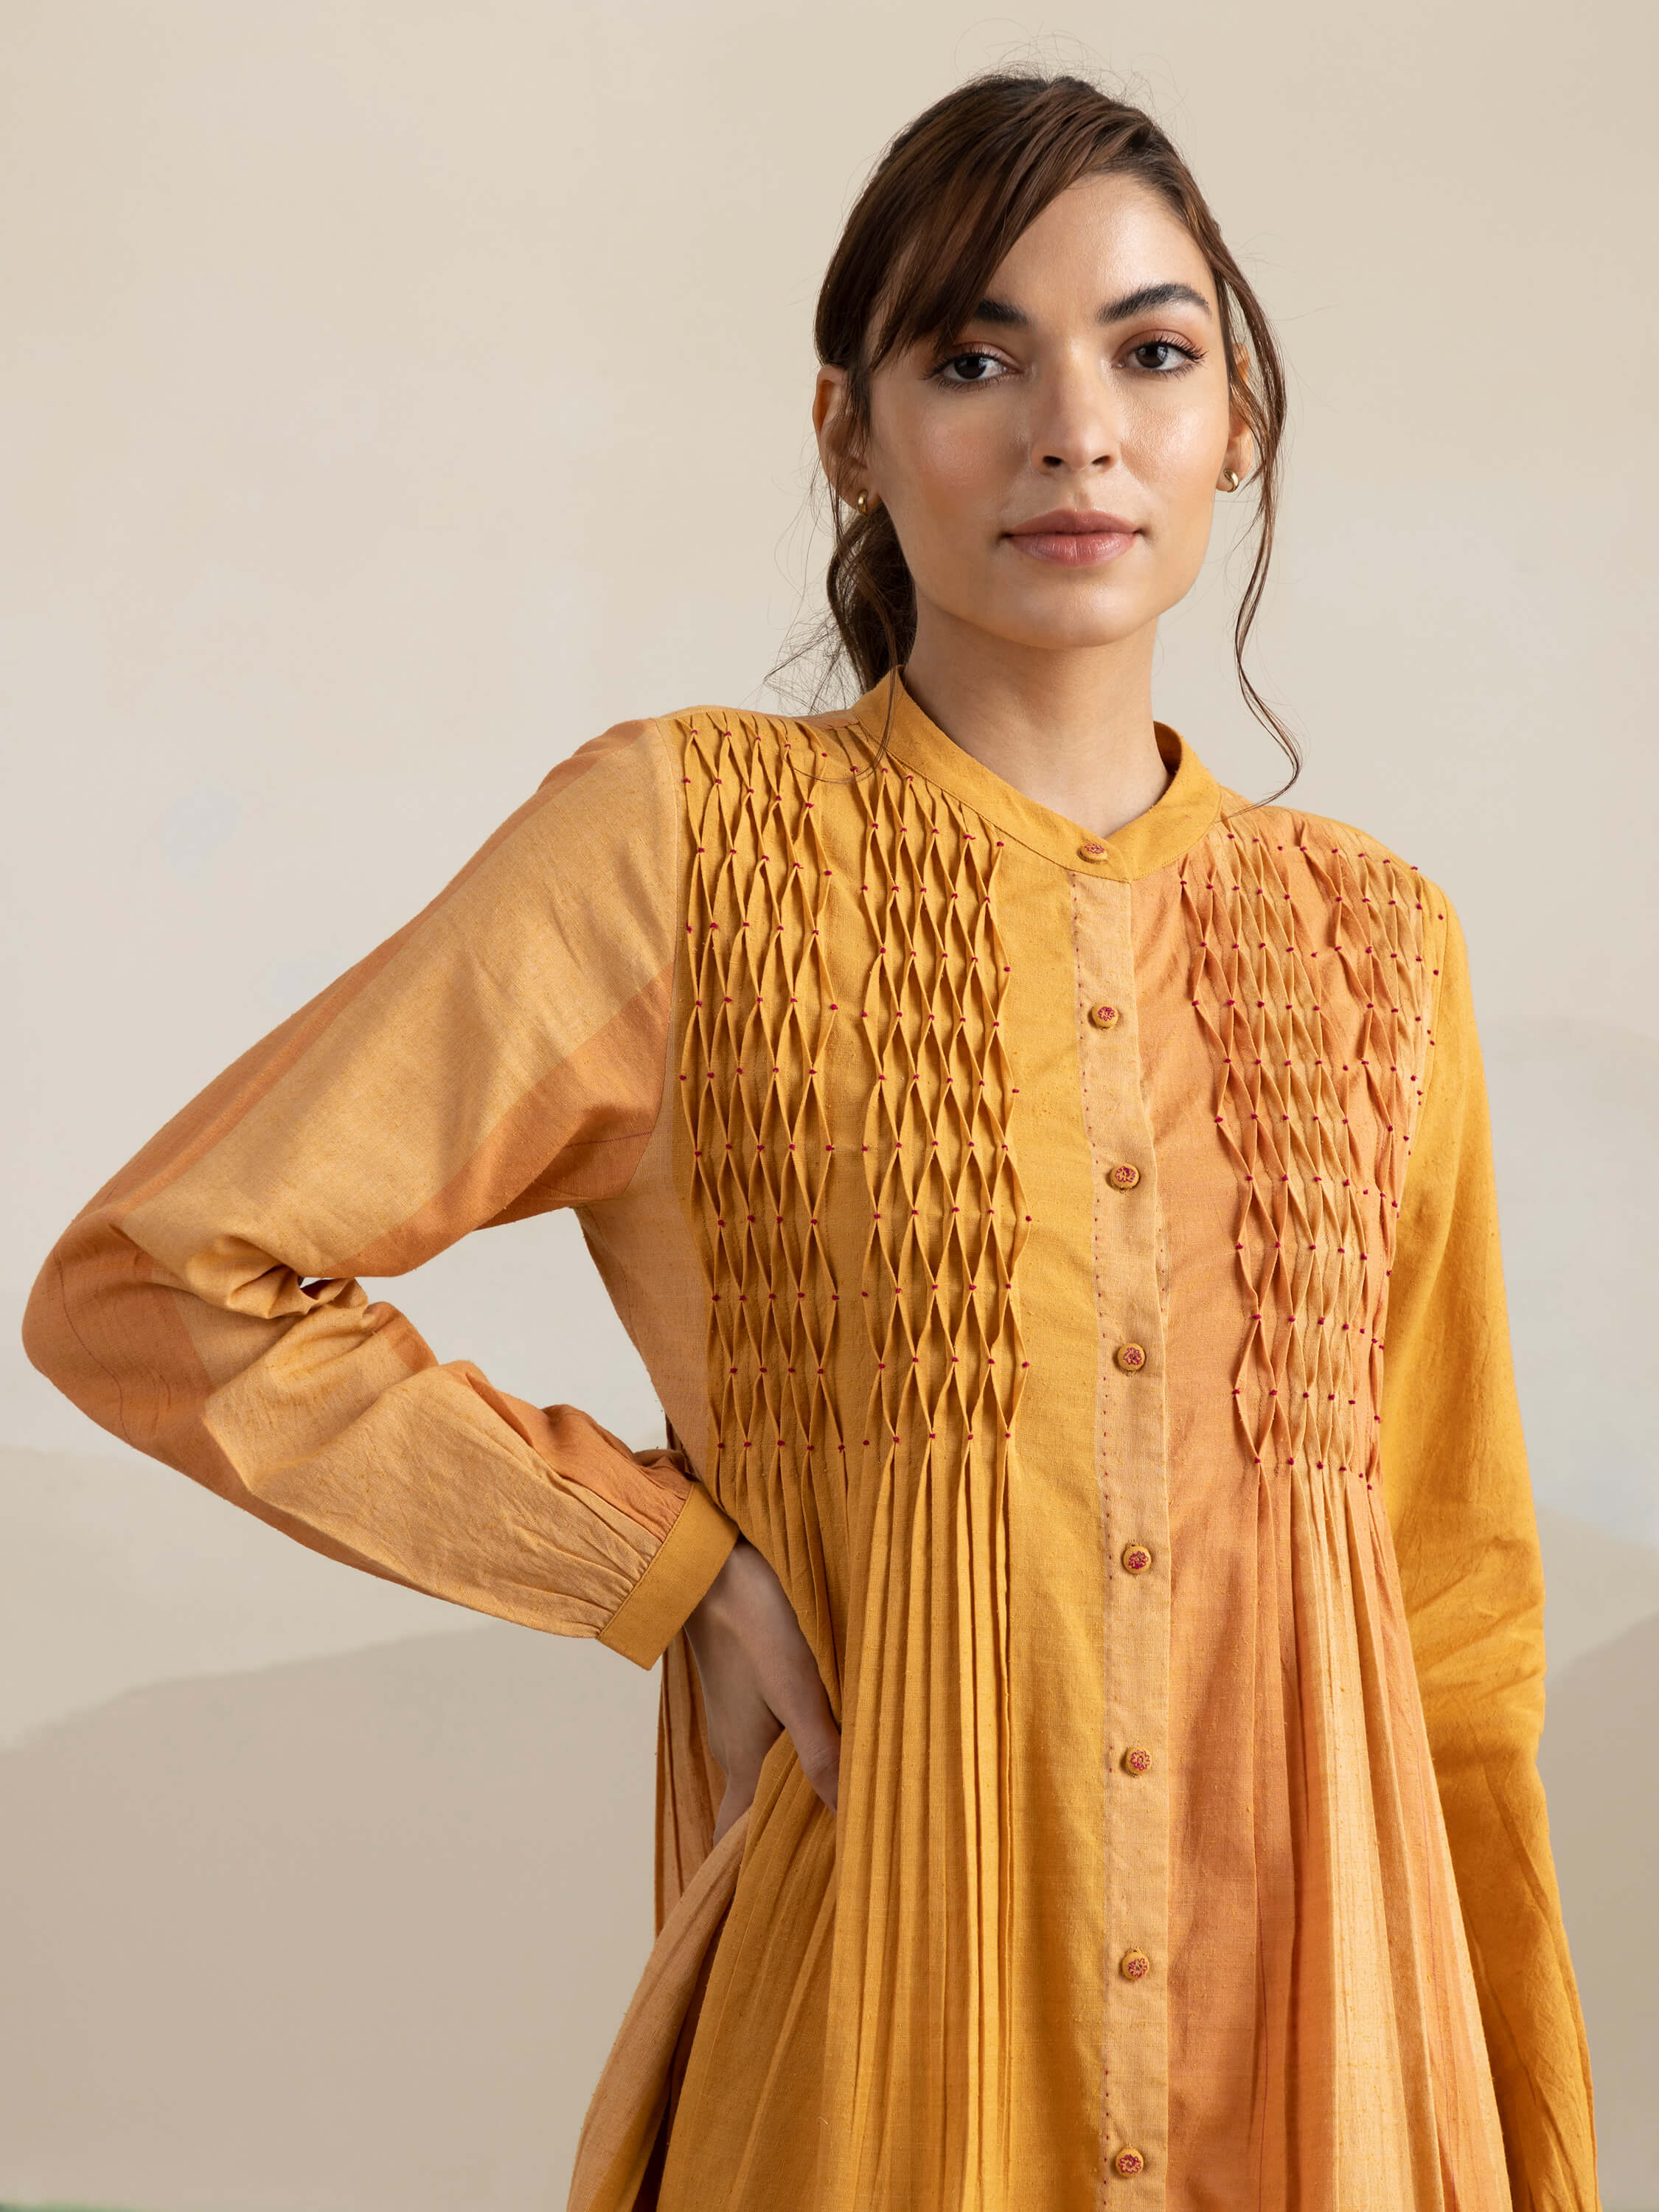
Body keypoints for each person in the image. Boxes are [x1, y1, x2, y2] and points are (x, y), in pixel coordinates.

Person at [23, 69, 1596, 2212]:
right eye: (975, 359)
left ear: (1237, 423)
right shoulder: (689, 847)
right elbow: (158, 1281)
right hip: (882, 2065)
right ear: (849, 431)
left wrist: (1529, 2147)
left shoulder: (1376, 941)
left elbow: (1456, 1630)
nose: (1075, 432)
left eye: (1151, 353)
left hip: (1336, 2085)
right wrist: (653, 1567)